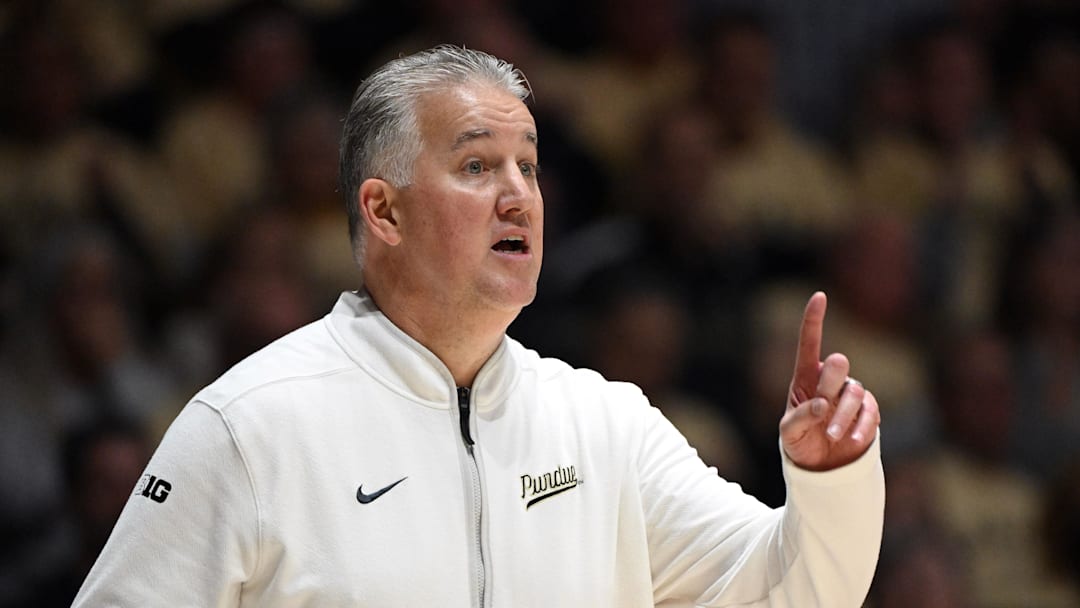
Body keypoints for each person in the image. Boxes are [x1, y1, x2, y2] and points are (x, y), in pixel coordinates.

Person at [72, 45, 884, 607]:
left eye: (528, 165)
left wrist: (830, 480)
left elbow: (788, 585)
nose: (518, 194)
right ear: (383, 210)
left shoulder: (603, 424)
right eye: (476, 165)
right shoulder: (248, 427)